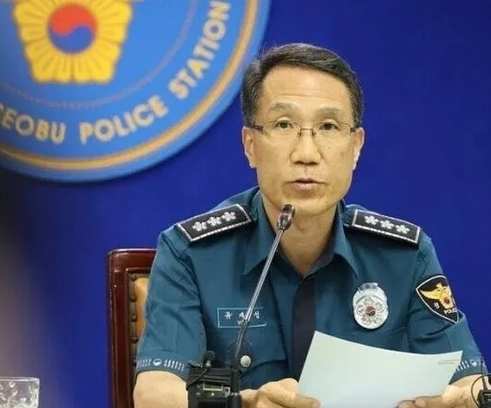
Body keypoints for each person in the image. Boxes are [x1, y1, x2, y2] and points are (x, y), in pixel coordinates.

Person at [132, 43, 487, 408]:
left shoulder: (405, 256)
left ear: (356, 147)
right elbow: (154, 394)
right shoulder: (190, 253)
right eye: (284, 125)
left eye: (328, 126)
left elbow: (473, 383)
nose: (306, 154)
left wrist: (460, 400)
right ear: (250, 145)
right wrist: (247, 403)